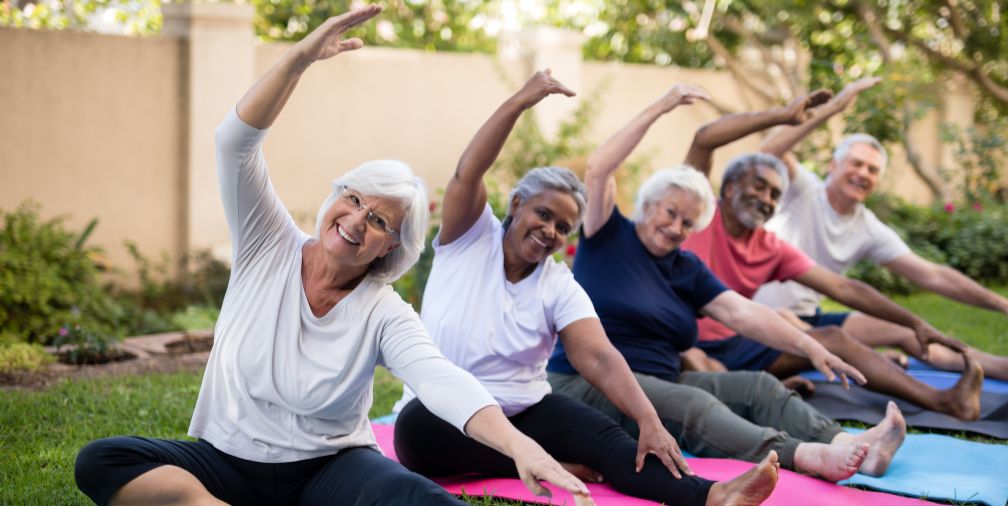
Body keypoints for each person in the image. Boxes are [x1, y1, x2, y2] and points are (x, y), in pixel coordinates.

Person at [73, 7, 596, 506]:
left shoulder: (382, 309)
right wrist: (300, 59)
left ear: (391, 245)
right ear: (335, 197)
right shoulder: (266, 243)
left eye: (379, 220)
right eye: (354, 199)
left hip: (329, 468)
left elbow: (439, 379)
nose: (356, 221)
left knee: (415, 497)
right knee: (103, 461)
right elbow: (234, 143)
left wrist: (519, 445)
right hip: (228, 461)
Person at [393, 71, 780, 506]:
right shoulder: (468, 238)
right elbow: (469, 169)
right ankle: (542, 461)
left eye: (563, 227)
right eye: (543, 214)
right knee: (413, 432)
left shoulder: (558, 283)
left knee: (606, 436)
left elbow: (597, 355)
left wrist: (648, 419)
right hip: (443, 416)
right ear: (517, 205)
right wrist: (521, 101)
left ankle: (711, 496)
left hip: (524, 410)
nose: (549, 231)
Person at [547, 84, 905, 480]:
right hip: (586, 384)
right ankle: (805, 455)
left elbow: (743, 312)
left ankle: (849, 446)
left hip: (662, 380)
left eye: (688, 222)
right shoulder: (607, 235)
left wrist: (811, 346)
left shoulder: (686, 268)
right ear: (648, 204)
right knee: (693, 405)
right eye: (670, 213)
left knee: (758, 387)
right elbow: (599, 168)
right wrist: (662, 106)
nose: (675, 227)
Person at [679, 144, 981, 419]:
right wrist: (789, 115)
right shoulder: (701, 217)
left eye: (774, 195)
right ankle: (759, 388)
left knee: (831, 337)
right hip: (682, 345)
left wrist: (915, 322)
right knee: (694, 358)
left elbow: (844, 288)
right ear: (729, 189)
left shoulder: (770, 246)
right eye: (759, 187)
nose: (766, 199)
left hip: (734, 343)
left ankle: (945, 400)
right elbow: (705, 138)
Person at [753, 77, 1008, 381]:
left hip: (811, 320)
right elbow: (766, 153)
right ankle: (864, 359)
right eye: (856, 164)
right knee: (819, 335)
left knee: (904, 329)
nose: (863, 173)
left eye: (872, 170)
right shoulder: (802, 189)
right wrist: (833, 108)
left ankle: (998, 367)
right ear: (833, 167)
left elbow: (932, 275)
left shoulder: (867, 227)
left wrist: (1002, 303)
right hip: (761, 317)